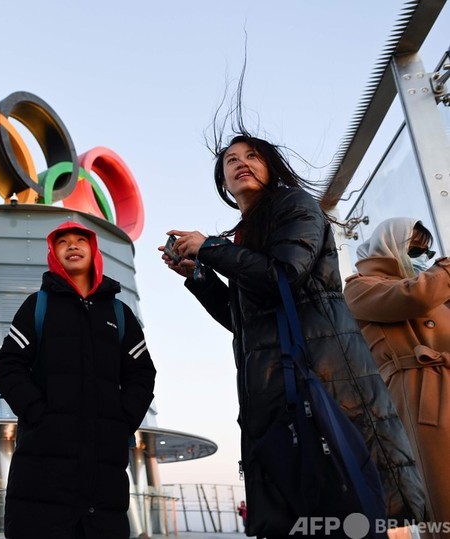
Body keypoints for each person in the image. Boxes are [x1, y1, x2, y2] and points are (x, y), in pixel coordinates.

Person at [159, 132, 427, 535]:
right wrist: (200, 278)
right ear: (224, 182)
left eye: (252, 156)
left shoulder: (294, 205)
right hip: (281, 394)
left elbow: (284, 273)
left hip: (325, 384)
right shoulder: (246, 234)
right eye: (231, 160)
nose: (241, 163)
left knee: (348, 508)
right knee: (309, 515)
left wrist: (210, 248)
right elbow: (247, 322)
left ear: (271, 167)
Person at [0, 221, 156, 539]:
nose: (72, 245)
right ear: (52, 254)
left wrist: (122, 421)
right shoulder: (37, 307)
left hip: (104, 476)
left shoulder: (120, 314)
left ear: (93, 251)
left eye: (81, 240)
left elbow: (142, 374)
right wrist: (38, 415)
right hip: (41, 470)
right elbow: (9, 365)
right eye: (62, 241)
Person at [344, 217, 449, 535]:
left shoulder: (436, 291)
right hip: (419, 392)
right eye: (415, 251)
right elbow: (412, 297)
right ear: (388, 246)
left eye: (428, 253)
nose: (424, 260)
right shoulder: (359, 287)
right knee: (442, 493)